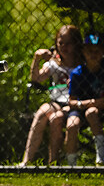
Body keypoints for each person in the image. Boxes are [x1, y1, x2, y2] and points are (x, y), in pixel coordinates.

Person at [20, 25, 83, 166]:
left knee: (57, 118)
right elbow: (36, 79)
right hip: (56, 102)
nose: (64, 47)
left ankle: (53, 162)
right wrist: (37, 59)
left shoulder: (82, 65)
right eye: (61, 43)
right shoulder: (54, 63)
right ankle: (26, 161)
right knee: (42, 113)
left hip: (74, 104)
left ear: (76, 44)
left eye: (69, 43)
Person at [65, 32, 104, 166]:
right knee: (72, 124)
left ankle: (101, 158)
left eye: (97, 51)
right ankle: (71, 165)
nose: (93, 54)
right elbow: (71, 102)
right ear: (83, 52)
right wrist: (90, 103)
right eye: (89, 51)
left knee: (92, 112)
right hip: (80, 108)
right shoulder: (77, 73)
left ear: (103, 52)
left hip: (100, 110)